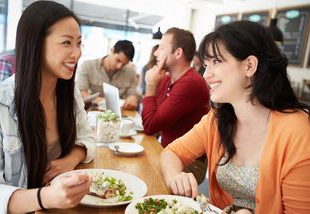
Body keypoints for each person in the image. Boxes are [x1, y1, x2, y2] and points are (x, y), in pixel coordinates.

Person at [160, 21, 310, 213]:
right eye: (206, 65)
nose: (206, 75)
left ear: (249, 65)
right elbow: (171, 152)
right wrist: (175, 177)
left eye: (216, 62)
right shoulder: (217, 119)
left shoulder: (297, 131)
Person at [0, 1, 95, 213]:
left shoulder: (69, 92)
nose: (77, 53)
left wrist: (69, 160)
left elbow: (87, 138)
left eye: (79, 43)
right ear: (35, 43)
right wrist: (46, 197)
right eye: (66, 43)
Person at [142, 27, 210, 184]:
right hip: (168, 152)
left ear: (178, 53)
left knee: (143, 174)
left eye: (161, 48)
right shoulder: (167, 79)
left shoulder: (191, 83)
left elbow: (150, 125)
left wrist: (151, 85)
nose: (155, 53)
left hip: (190, 162)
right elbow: (153, 120)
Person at [76, 40, 139, 110]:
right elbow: (80, 92)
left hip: (117, 116)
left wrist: (132, 98)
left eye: (124, 64)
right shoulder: (87, 66)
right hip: (92, 111)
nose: (119, 66)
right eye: (118, 60)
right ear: (112, 50)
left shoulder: (131, 73)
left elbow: (132, 94)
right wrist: (102, 101)